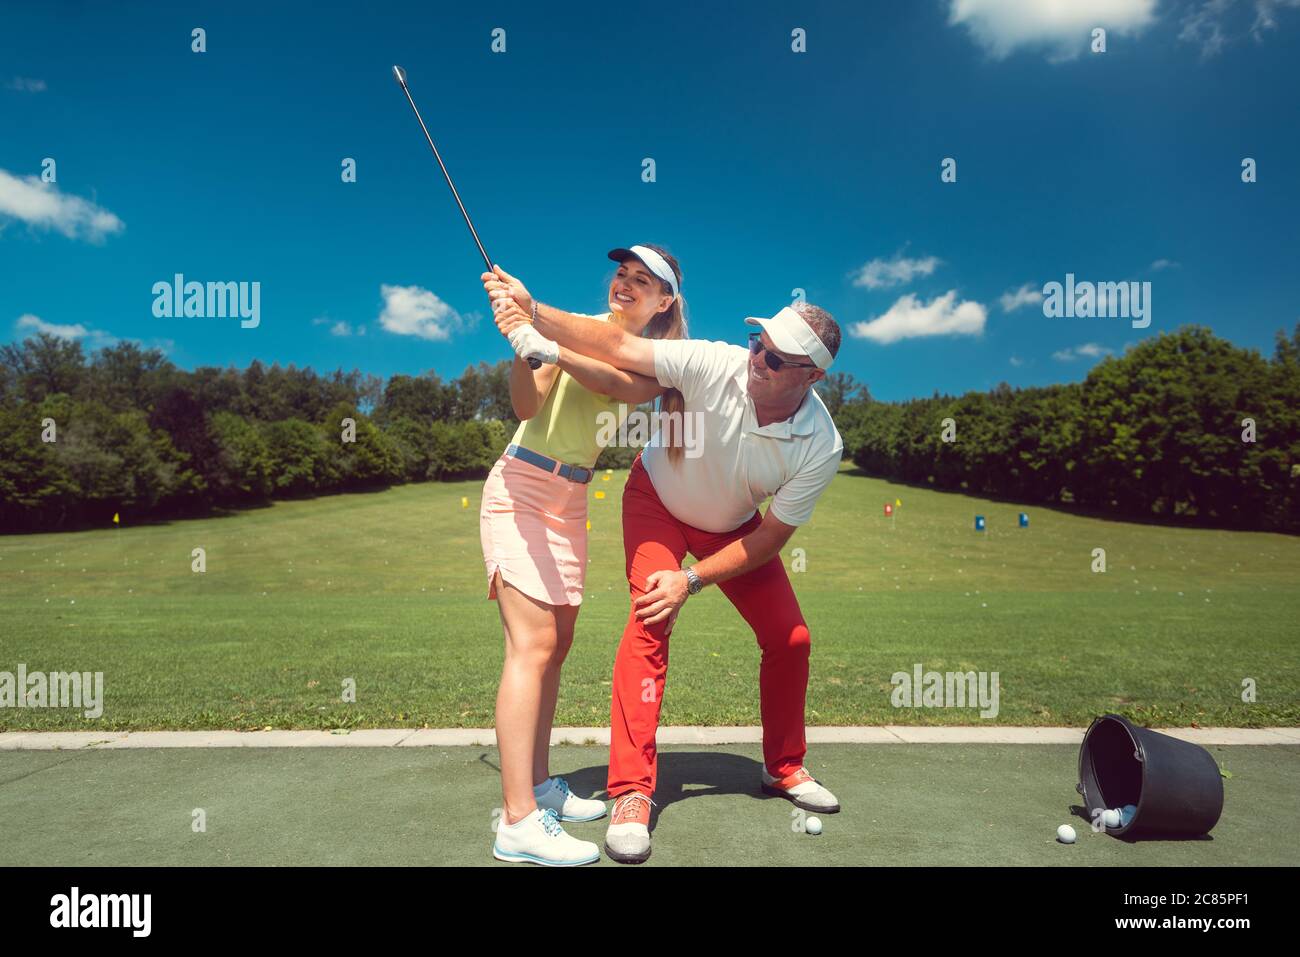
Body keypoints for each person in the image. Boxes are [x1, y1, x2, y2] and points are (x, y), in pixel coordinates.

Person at [489, 267, 844, 864]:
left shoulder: (820, 443)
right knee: (650, 620)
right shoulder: (716, 360)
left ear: (811, 377)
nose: (760, 359)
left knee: (793, 638)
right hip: (656, 501)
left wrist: (695, 577)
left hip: (733, 532)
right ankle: (631, 792)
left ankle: (784, 768)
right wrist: (533, 312)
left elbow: (772, 538)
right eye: (760, 343)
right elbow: (621, 348)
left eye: (779, 361)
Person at [481, 244, 688, 866]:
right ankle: (517, 820)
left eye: (641, 280)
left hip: (571, 499)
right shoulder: (566, 326)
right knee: (532, 644)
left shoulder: (659, 362)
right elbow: (525, 405)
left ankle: (540, 785)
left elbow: (617, 380)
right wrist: (523, 345)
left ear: (665, 301)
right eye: (621, 274)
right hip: (521, 486)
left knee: (558, 641)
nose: (624, 284)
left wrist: (543, 333)